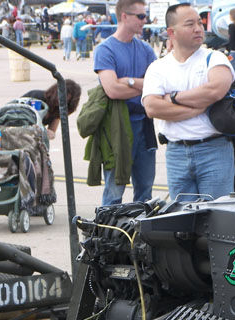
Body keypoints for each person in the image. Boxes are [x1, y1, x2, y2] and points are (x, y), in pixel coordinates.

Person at [141, 3, 235, 202]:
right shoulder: (158, 68)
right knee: (183, 223)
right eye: (190, 24)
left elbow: (216, 89)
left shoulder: (214, 58)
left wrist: (174, 98)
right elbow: (152, 107)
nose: (198, 28)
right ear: (171, 32)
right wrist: (198, 107)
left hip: (214, 151)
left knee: (217, 219)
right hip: (176, 154)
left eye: (200, 23)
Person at [93, 0, 158, 205]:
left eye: (145, 16)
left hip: (144, 125)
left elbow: (158, 87)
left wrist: (129, 81)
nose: (144, 20)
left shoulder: (146, 49)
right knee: (114, 191)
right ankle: (108, 234)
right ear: (124, 16)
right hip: (117, 126)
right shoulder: (105, 50)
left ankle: (140, 235)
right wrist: (142, 85)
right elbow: (112, 90)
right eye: (140, 16)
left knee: (145, 190)